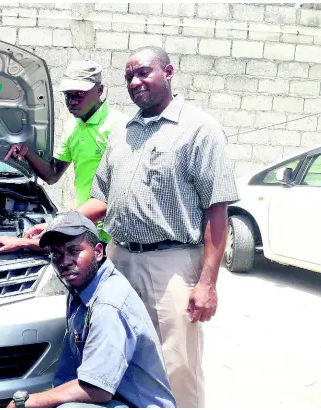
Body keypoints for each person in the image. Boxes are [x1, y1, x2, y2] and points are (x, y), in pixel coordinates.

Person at [27, 46, 239, 407]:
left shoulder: (200, 130)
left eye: (144, 73)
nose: (136, 82)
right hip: (118, 260)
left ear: (169, 72)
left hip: (170, 265)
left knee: (176, 366)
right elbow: (102, 199)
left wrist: (207, 284)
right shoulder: (123, 133)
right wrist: (54, 226)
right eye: (129, 77)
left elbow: (217, 212)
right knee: (120, 362)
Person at [7, 212, 174, 408]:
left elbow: (97, 389)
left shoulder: (108, 304)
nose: (65, 261)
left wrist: (28, 402)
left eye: (74, 251)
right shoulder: (83, 283)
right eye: (57, 254)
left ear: (97, 251)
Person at [3, 60, 129, 244]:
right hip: (86, 227)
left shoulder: (120, 127)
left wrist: (58, 224)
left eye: (80, 94)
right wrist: (27, 151)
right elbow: (52, 175)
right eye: (68, 95)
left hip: (115, 235)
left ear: (100, 90)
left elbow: (119, 194)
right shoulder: (72, 127)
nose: (72, 101)